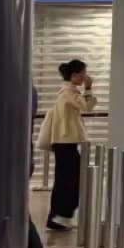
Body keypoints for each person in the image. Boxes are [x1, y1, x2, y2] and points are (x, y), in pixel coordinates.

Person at [38, 59, 97, 231]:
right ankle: (60, 216)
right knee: (68, 181)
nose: (86, 76)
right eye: (83, 73)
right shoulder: (68, 93)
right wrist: (88, 88)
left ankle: (60, 216)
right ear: (74, 75)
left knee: (68, 180)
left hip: (66, 143)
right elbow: (86, 106)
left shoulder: (68, 92)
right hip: (65, 143)